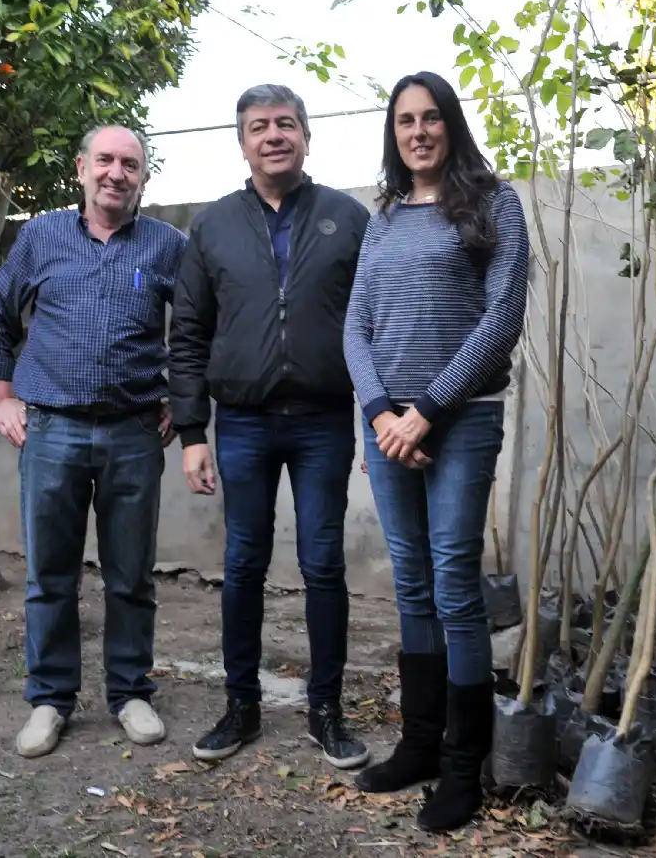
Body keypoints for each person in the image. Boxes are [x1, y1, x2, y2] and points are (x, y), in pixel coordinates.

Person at [343, 71, 530, 832]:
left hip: (462, 420)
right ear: (393, 134)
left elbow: (501, 320)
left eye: (429, 118)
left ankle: (463, 769)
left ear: (451, 124)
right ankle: (419, 744)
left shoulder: (495, 204)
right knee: (412, 582)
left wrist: (424, 413)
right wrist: (384, 412)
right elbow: (355, 324)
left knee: (454, 581)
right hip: (389, 423)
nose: (416, 131)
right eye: (403, 121)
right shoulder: (382, 220)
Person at [169, 84, 373, 770]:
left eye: (286, 124)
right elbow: (190, 332)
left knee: (322, 566)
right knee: (242, 565)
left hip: (323, 422)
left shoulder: (348, 218)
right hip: (245, 424)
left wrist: (378, 419)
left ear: (307, 137)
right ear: (243, 143)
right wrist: (193, 431)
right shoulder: (214, 225)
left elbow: (376, 325)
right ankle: (241, 706)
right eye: (259, 127)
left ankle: (325, 711)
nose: (273, 136)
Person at [0, 125, 184, 759]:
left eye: (130, 164)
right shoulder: (40, 236)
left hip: (133, 433)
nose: (116, 173)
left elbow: (202, 327)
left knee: (130, 576)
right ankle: (50, 699)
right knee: (50, 577)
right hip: (52, 431)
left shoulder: (169, 245)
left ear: (143, 176)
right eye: (106, 161)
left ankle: (129, 694)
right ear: (81, 168)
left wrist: (179, 392)